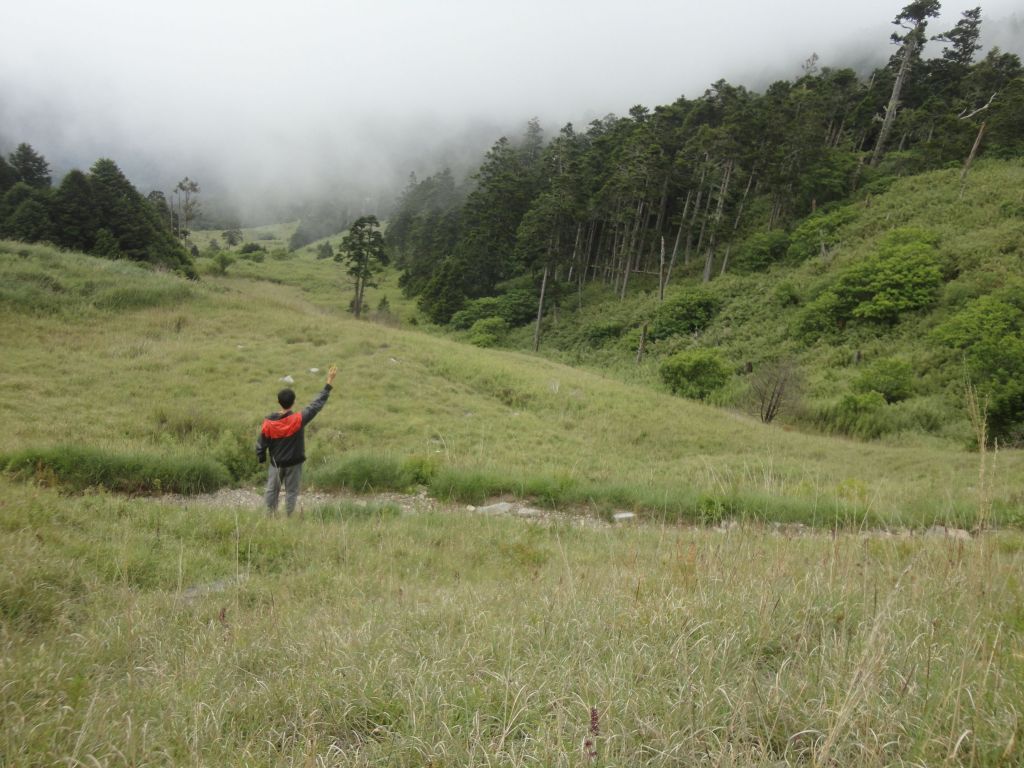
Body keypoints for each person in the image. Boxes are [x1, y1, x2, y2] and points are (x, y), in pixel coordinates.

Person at [256, 365, 337, 516]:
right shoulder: (298, 419)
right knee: (291, 492)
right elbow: (316, 405)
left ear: (278, 401)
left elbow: (261, 444)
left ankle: (268, 517)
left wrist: (261, 458)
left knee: (271, 491)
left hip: (276, 464)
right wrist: (328, 382)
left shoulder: (268, 423)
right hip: (294, 464)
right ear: (293, 402)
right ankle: (288, 517)